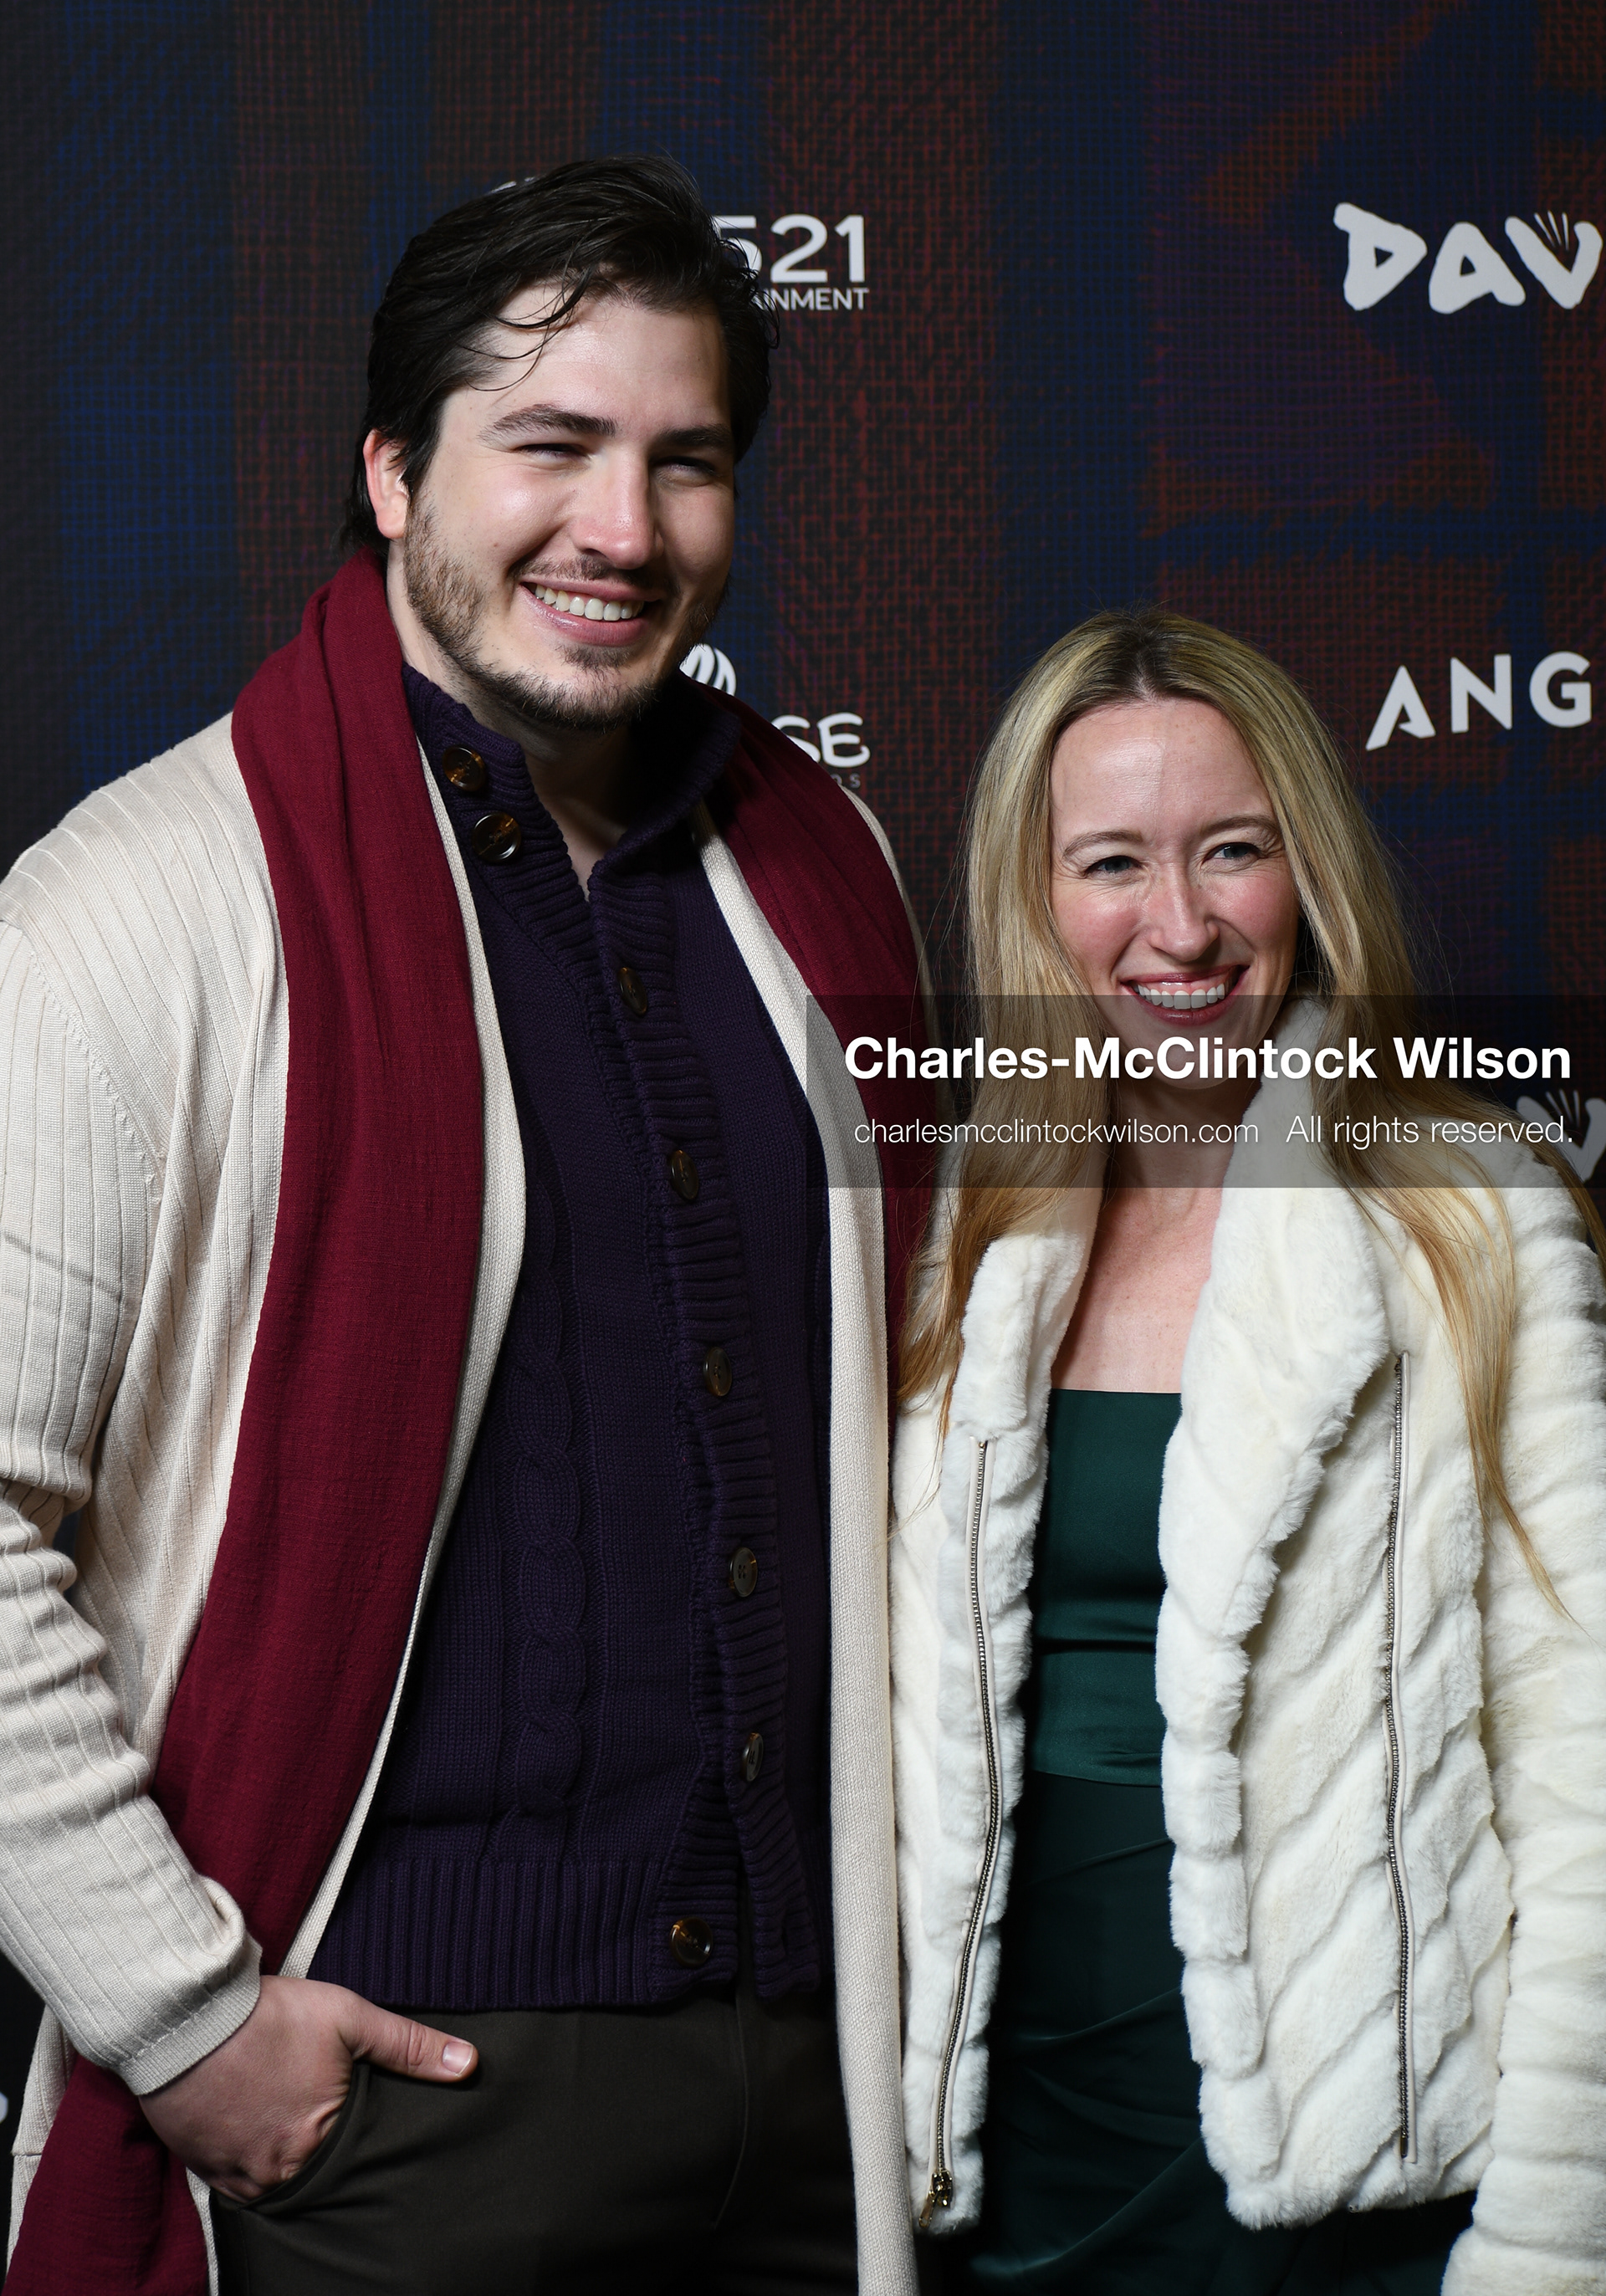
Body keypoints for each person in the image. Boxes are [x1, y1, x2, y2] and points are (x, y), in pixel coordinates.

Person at [0, 154, 935, 2295]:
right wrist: (184, 2020)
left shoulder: (827, 876)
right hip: (388, 2111)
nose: (623, 529)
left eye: (684, 461)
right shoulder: (138, 911)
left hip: (811, 2091)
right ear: (396, 472)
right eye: (552, 446)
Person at [891, 609, 1606, 2293]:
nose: (1181, 927)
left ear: (1311, 872)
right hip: (1005, 2154)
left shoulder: (1465, 1221)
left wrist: (1551, 2239)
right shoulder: (962, 1237)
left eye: (1234, 852)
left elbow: (1586, 1775)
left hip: (1353, 2179)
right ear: (1039, 900)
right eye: (1113, 865)